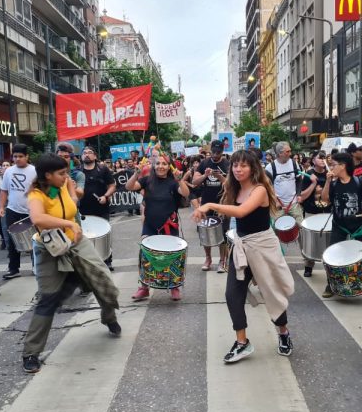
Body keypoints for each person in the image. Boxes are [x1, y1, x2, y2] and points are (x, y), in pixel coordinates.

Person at [21, 154, 122, 374]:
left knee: (102, 280)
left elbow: (71, 205)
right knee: (48, 300)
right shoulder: (37, 194)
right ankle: (31, 352)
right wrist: (68, 223)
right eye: (61, 173)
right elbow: (38, 219)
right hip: (50, 248)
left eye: (66, 171)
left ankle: (109, 317)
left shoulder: (60, 186)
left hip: (77, 242)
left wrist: (72, 193)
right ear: (47, 175)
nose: (66, 175)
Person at [193, 150, 294, 362]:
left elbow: (241, 212)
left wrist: (209, 205)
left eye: (244, 165)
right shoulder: (233, 188)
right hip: (241, 247)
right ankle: (242, 342)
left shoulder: (259, 190)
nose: (238, 169)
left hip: (262, 246)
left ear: (253, 168)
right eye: (235, 165)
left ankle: (283, 333)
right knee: (232, 295)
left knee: (272, 293)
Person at [126, 155, 190, 301]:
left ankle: (174, 286)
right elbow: (129, 187)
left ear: (169, 167)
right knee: (145, 254)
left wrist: (180, 179)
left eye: (164, 164)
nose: (161, 166)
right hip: (150, 225)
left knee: (173, 256)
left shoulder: (173, 183)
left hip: (169, 225)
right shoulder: (147, 180)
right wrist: (136, 173)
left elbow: (186, 193)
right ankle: (144, 287)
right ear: (153, 166)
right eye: (158, 163)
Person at [320, 152, 362, 298]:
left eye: (334, 164)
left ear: (343, 166)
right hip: (339, 226)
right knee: (332, 256)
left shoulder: (359, 183)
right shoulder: (333, 184)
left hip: (358, 226)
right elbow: (325, 200)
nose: (331, 167)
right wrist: (327, 182)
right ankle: (331, 284)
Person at [0, 144, 37, 279]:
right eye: (15, 156)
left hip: (31, 211)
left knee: (34, 239)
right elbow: (4, 191)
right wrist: (1, 207)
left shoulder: (34, 171)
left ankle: (36, 266)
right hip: (12, 210)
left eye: (20, 156)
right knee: (12, 240)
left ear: (27, 157)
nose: (17, 159)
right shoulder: (8, 171)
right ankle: (13, 269)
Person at [193, 141, 230, 271]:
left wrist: (219, 177)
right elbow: (194, 182)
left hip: (223, 203)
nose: (215, 155)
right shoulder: (204, 163)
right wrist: (205, 175)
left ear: (222, 151)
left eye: (218, 153)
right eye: (213, 152)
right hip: (206, 204)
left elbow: (230, 186)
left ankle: (222, 260)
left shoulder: (227, 163)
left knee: (223, 233)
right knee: (205, 231)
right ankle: (208, 258)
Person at [77, 146, 116, 270]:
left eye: (90, 152)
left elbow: (112, 186)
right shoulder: (77, 171)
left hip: (101, 208)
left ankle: (107, 260)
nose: (87, 155)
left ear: (95, 156)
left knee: (104, 235)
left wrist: (106, 196)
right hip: (83, 210)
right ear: (81, 156)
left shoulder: (103, 169)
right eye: (84, 153)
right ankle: (89, 262)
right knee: (85, 237)